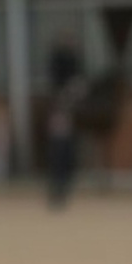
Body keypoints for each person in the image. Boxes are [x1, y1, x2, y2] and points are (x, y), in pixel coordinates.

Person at [42, 39, 87, 209]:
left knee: (65, 158)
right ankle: (57, 191)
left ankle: (62, 189)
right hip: (60, 147)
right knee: (59, 158)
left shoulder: (69, 105)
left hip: (65, 144)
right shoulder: (58, 106)